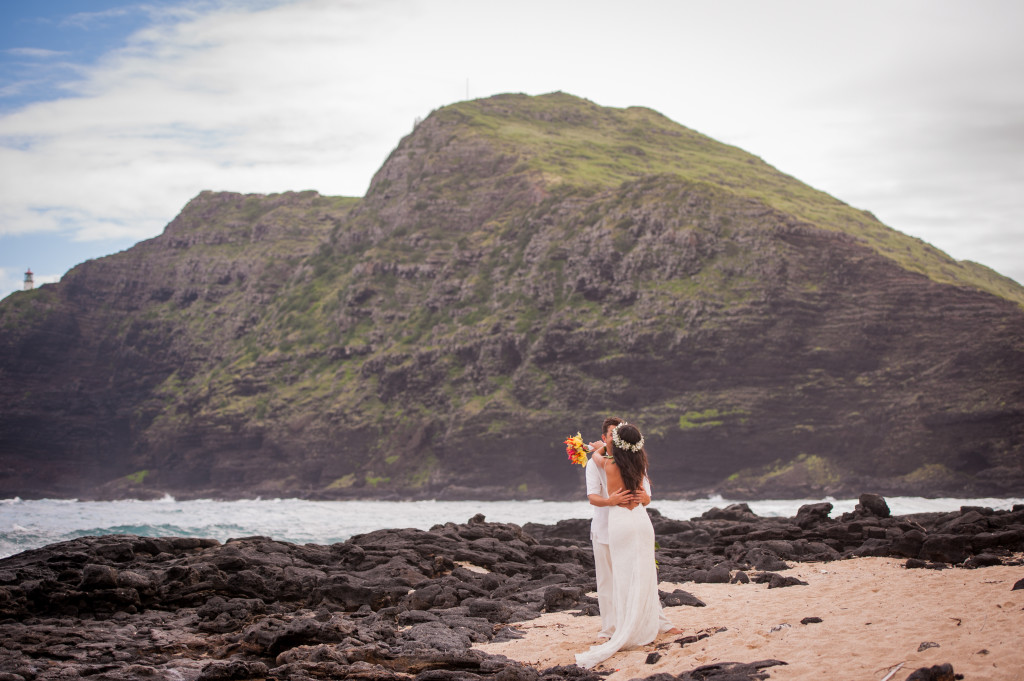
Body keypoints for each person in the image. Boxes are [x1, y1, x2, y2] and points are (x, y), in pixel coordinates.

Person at [576, 422, 679, 669]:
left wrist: (600, 447)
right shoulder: (638, 462)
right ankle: (638, 624)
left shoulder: (608, 463)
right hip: (641, 521)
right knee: (643, 572)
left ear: (616, 442)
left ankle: (628, 626)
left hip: (620, 521)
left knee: (624, 577)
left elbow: (601, 458)